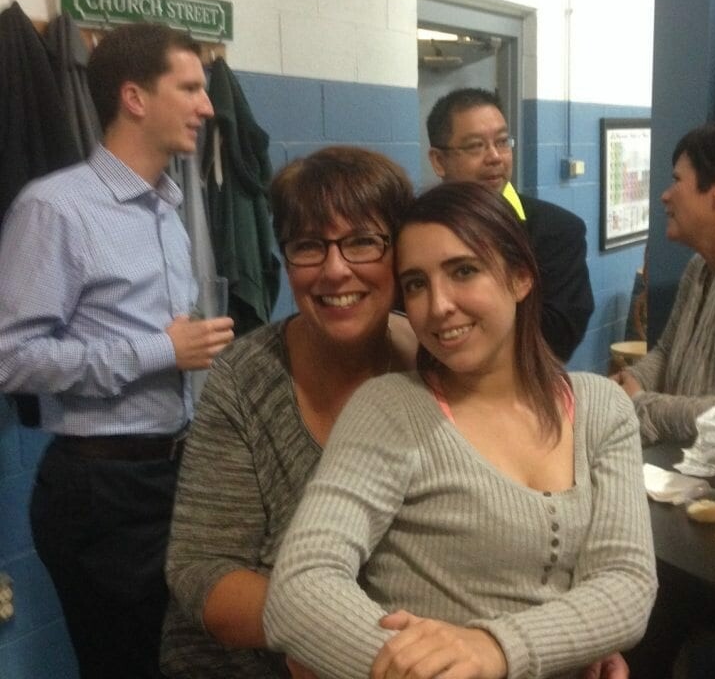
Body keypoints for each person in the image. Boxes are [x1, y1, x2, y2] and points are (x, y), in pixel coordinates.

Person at [264, 181, 657, 679]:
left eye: (463, 271)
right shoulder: (392, 410)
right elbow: (299, 590)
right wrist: (436, 667)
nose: (439, 304)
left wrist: (495, 649)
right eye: (416, 284)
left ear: (519, 277)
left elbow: (625, 586)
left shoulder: (601, 408)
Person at [0, 22, 235, 679]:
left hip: (174, 475)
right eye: (190, 88)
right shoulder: (55, 209)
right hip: (101, 491)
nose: (207, 106)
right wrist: (159, 351)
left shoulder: (168, 205)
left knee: (189, 660)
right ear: (135, 97)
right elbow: (10, 359)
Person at [161, 146, 417, 677]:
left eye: (363, 242)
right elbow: (202, 571)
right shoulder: (247, 379)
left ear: (401, 253)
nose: (335, 270)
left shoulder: (439, 366)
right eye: (308, 247)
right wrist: (343, 639)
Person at [612, 115, 715, 444]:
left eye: (676, 180)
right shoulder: (699, 266)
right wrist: (627, 383)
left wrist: (642, 405)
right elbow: (668, 351)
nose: (665, 196)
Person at [426, 88, 594, 361]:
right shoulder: (417, 233)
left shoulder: (558, 231)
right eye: (475, 146)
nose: (495, 157)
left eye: (503, 142)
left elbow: (560, 334)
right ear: (439, 161)